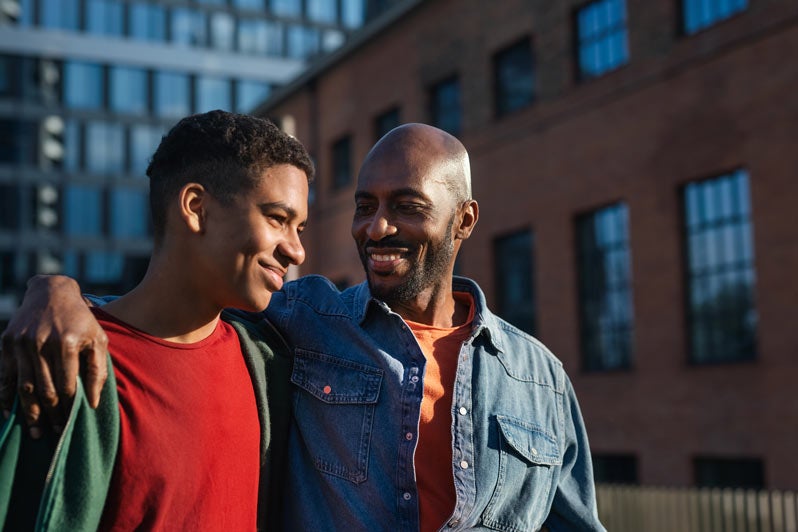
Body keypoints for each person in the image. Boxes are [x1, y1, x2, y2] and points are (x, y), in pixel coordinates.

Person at [2, 123, 605, 531]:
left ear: (464, 220)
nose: (376, 228)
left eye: (407, 206)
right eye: (365, 205)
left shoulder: (542, 381)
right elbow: (167, 305)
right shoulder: (304, 323)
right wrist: (56, 291)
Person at [0, 110, 312, 530]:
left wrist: (54, 288)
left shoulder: (272, 361)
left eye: (301, 228)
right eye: (277, 219)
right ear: (195, 207)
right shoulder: (65, 362)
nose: (296, 251)